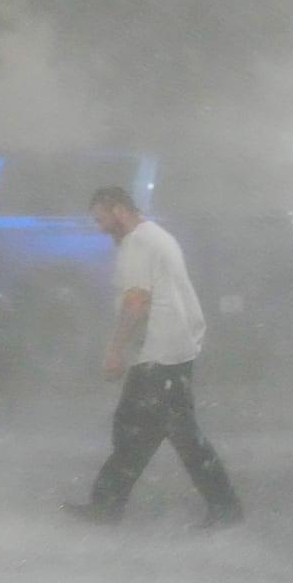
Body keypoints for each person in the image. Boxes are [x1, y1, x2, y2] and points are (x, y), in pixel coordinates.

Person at [62, 185, 244, 530]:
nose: (100, 228)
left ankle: (225, 510)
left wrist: (114, 349)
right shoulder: (157, 236)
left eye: (102, 219)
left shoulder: (138, 243)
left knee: (177, 435)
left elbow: (136, 301)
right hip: (169, 351)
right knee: (136, 429)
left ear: (118, 210)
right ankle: (107, 504)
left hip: (161, 355)